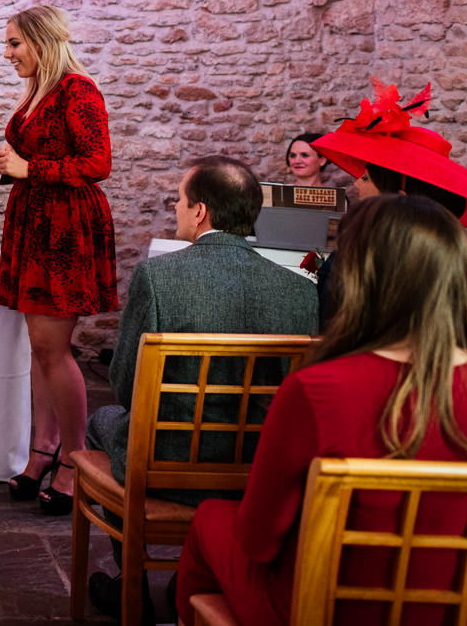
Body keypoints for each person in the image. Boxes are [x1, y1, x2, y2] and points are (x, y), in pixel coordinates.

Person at [174, 195, 467, 626]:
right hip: (466, 608)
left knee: (209, 519)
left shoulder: (316, 390)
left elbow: (259, 540)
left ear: (358, 278)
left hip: (334, 606)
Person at [84, 157, 318, 620]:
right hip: (258, 469)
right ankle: (185, 580)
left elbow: (127, 385)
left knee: (100, 422)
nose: (175, 207)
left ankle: (129, 579)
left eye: (179, 199)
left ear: (200, 212)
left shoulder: (160, 276)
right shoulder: (300, 290)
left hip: (167, 462)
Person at [0, 4, 117, 515]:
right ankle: (43, 449)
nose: (8, 53)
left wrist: (28, 167)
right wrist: (14, 168)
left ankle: (74, 458)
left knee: (53, 348)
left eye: (15, 43)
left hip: (64, 229)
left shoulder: (78, 89)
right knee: (39, 348)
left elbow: (97, 162)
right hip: (36, 220)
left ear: (41, 42)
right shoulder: (42, 91)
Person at [311, 81, 467, 327]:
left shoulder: (355, 259)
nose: (358, 185)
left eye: (366, 177)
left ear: (400, 199)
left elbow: (330, 331)